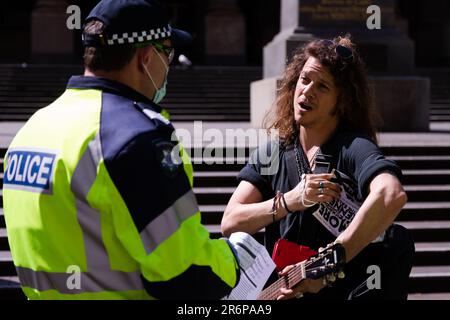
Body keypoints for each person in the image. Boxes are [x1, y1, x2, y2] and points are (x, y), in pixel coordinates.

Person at [3, 0, 240, 300]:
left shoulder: (33, 128)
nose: (169, 63)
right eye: (167, 52)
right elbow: (186, 274)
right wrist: (234, 258)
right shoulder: (137, 137)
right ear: (144, 57)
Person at [221, 35, 415, 300]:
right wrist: (291, 200)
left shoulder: (354, 147)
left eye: (322, 86)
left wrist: (330, 262)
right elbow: (230, 222)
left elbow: (391, 195)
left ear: (342, 101)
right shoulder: (273, 152)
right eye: (305, 79)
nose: (307, 90)